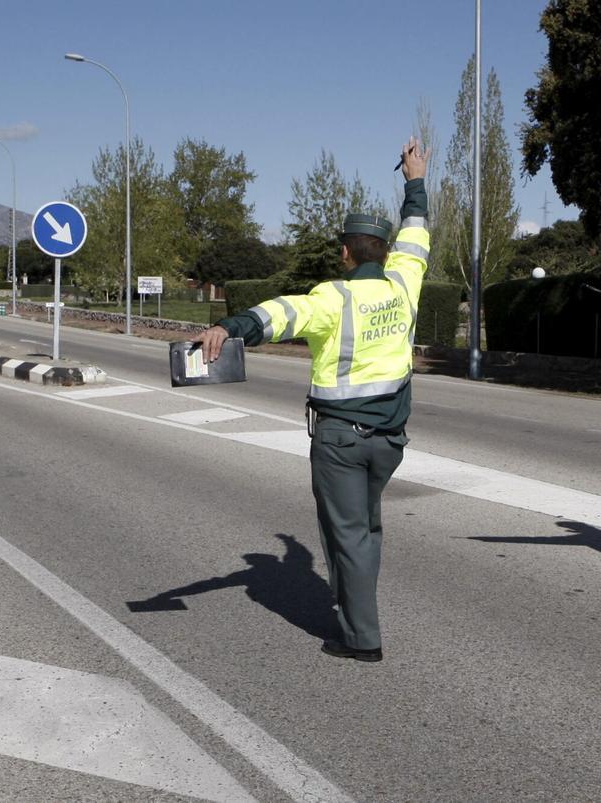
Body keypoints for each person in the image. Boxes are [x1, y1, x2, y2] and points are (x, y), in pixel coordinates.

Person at [193, 137, 430, 661]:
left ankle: (362, 638)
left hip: (341, 439)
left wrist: (229, 326)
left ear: (345, 252)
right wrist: (414, 180)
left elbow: (276, 316)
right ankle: (352, 604)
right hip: (390, 441)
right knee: (364, 527)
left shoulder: (333, 297)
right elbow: (418, 229)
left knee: (347, 536)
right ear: (385, 253)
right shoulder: (405, 285)